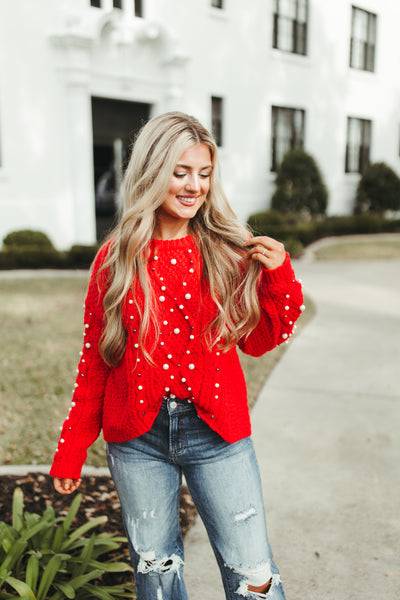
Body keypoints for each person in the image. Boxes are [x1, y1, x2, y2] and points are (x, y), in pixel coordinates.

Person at [50, 111, 304, 600]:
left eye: (204, 174)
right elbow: (95, 364)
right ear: (151, 173)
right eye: (180, 172)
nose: (194, 186)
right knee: (156, 574)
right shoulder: (116, 258)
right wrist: (71, 450)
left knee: (254, 576)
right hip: (137, 441)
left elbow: (259, 340)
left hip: (218, 434)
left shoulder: (227, 252)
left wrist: (279, 276)